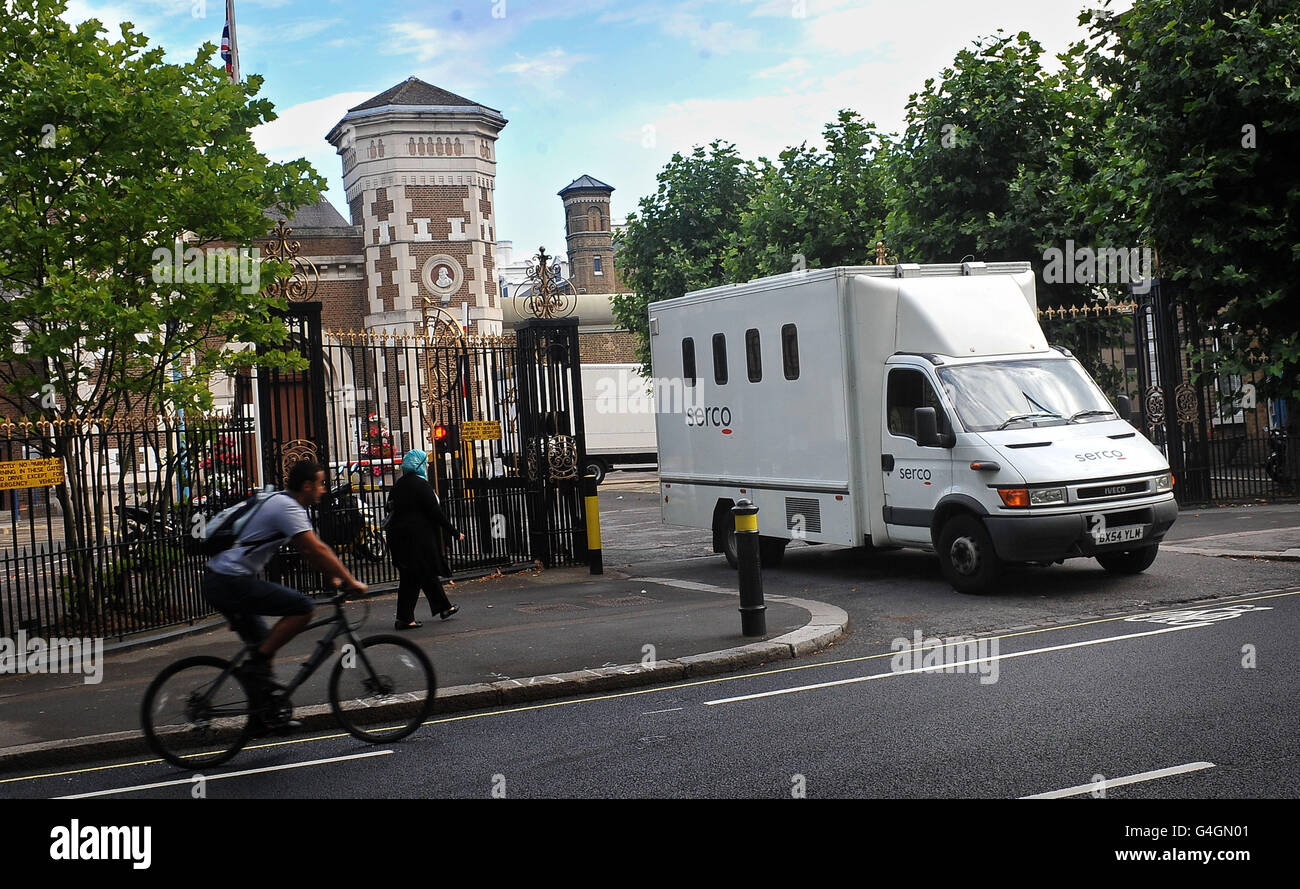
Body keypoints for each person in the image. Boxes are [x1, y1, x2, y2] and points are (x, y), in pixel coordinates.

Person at [203, 460, 367, 694]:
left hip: (224, 580)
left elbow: (307, 552)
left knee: (263, 642)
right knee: (303, 608)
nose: (324, 490)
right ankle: (256, 668)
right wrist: (350, 580)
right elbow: (316, 549)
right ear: (308, 486)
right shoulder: (287, 507)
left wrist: (334, 577)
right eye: (321, 484)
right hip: (229, 581)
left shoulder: (282, 502)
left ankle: (264, 715)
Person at [386, 448, 465, 629]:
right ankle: (405, 619)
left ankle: (443, 608)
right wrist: (454, 532)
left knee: (420, 573)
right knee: (414, 576)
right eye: (425, 462)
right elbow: (436, 513)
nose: (428, 465)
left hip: (398, 539)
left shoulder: (398, 485)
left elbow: (389, 508)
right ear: (419, 465)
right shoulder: (421, 485)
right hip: (416, 540)